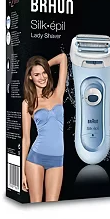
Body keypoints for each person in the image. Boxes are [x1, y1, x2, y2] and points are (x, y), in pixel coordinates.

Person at [22, 53, 67, 202]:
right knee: (35, 204)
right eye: (36, 74)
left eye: (44, 73)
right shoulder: (28, 103)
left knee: (52, 206)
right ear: (30, 77)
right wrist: (22, 172)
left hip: (57, 160)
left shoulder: (58, 93)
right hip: (36, 158)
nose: (42, 77)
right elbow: (26, 139)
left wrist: (43, 65)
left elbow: (63, 57)